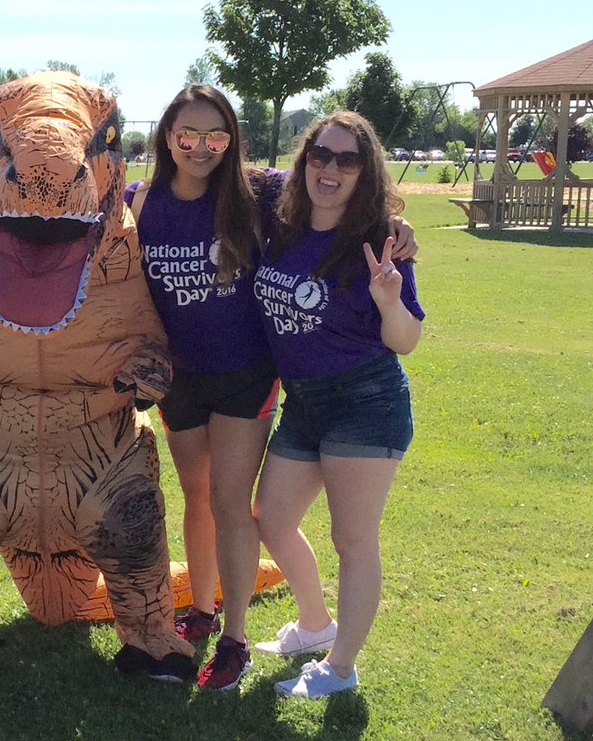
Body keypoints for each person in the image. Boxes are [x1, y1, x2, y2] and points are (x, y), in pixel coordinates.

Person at [248, 110, 424, 698]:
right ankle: (315, 625)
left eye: (347, 160)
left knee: (353, 540)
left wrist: (390, 299)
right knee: (270, 518)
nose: (330, 168)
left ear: (364, 171)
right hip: (304, 402)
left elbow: (405, 341)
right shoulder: (283, 223)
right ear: (305, 161)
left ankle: (341, 669)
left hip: (365, 400)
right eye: (320, 155)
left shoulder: (379, 242)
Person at [124, 86, 281, 671]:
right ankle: (203, 608)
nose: (201, 148)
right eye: (187, 136)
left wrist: (396, 228)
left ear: (231, 140)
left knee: (229, 500)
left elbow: (342, 203)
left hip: (246, 373)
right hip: (180, 378)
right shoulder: (139, 202)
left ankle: (235, 639)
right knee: (196, 498)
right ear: (168, 137)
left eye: (216, 137)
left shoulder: (260, 193)